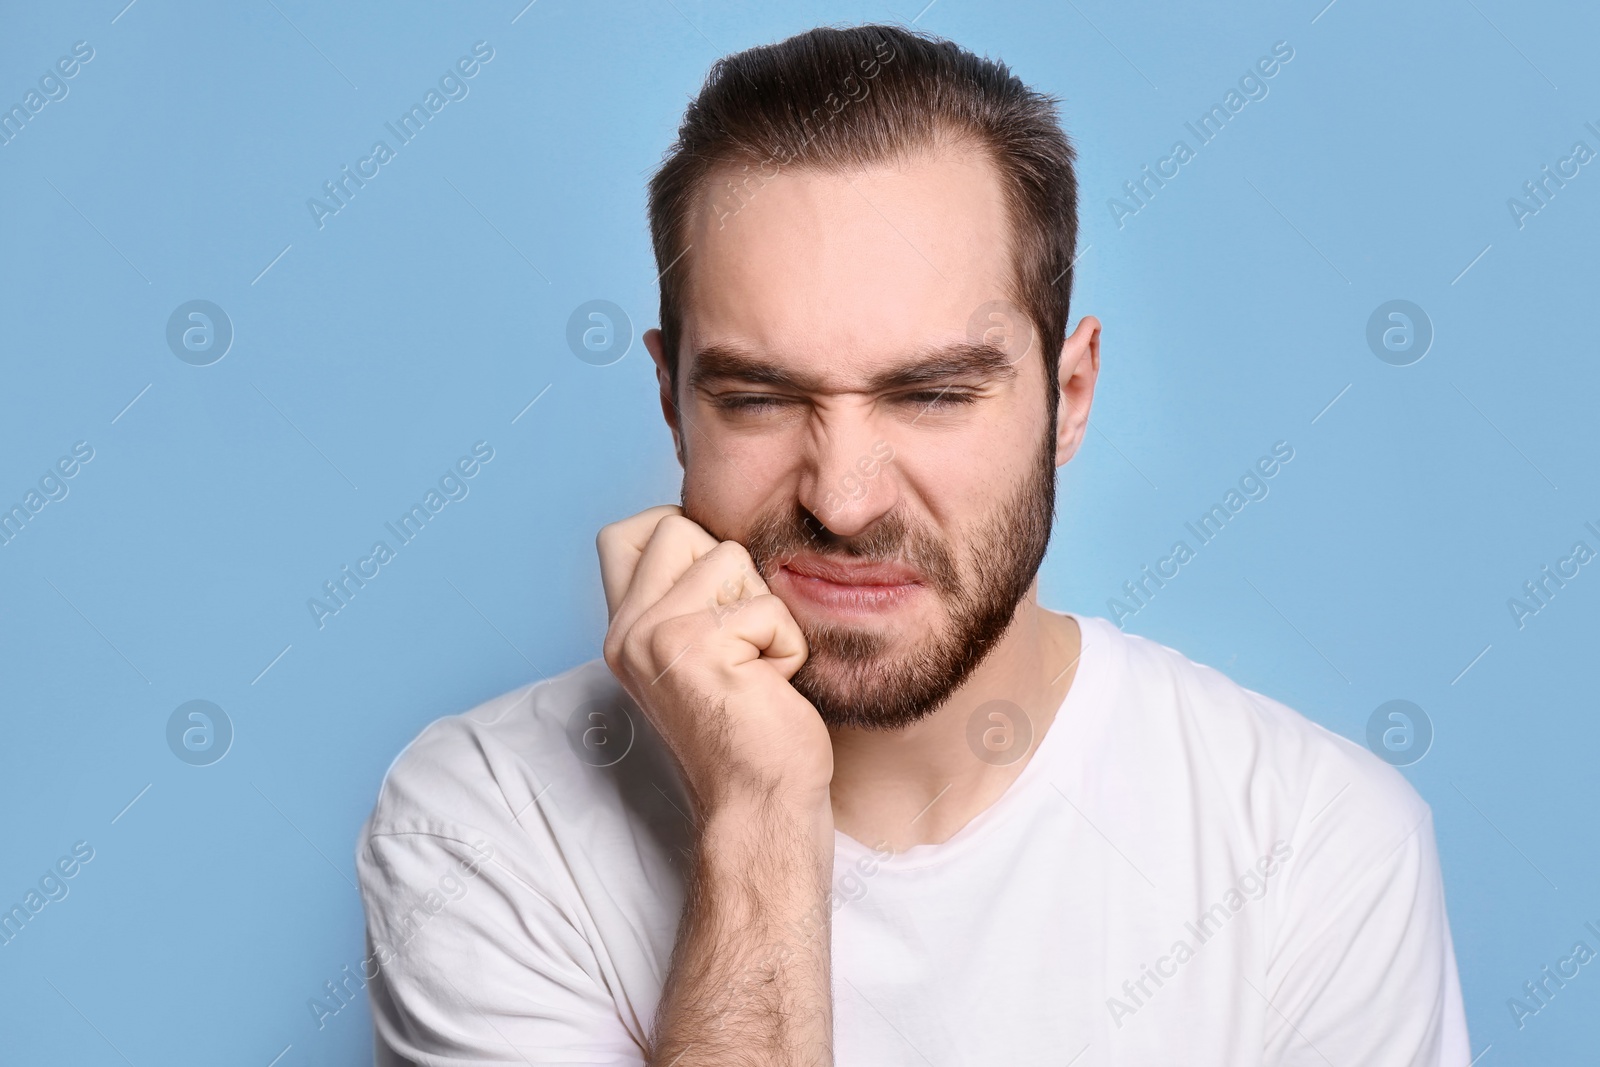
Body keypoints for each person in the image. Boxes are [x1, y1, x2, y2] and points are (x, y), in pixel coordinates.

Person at [356, 24, 1469, 1065]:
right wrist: (760, 816)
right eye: (755, 396)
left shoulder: (1317, 849)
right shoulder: (488, 820)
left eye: (931, 393)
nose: (842, 497)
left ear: (1069, 395)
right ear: (668, 396)